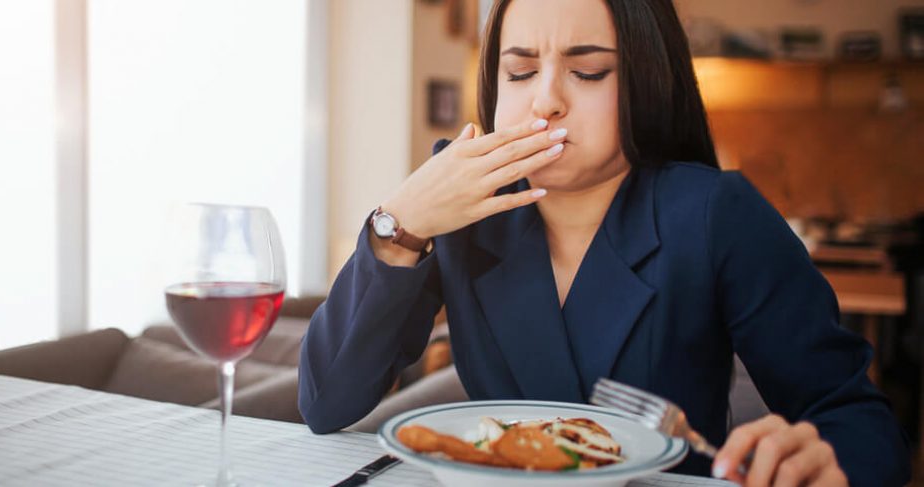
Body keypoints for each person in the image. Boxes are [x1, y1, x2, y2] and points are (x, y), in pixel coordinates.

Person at [297, 0, 911, 485]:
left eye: (587, 71)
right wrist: (401, 220)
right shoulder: (462, 204)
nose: (545, 100)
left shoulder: (715, 214)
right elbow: (326, 404)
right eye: (519, 71)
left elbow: (860, 420)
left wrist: (824, 458)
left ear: (645, 80)